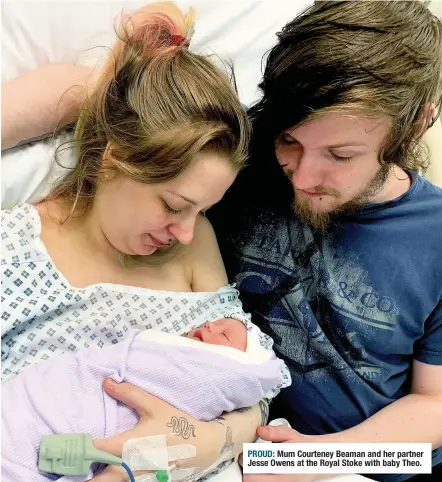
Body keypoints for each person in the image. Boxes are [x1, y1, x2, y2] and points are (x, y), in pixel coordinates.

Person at [3, 1, 442, 482]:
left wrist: (307, 460)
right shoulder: (230, 163)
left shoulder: (433, 238)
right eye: (290, 140)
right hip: (242, 438)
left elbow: (434, 410)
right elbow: (146, 119)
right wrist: (124, 73)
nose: (304, 176)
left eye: (340, 155)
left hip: (370, 461)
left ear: (416, 123)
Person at [0, 2, 271, 481]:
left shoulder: (193, 245)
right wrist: (110, 79)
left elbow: (249, 386)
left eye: (201, 210)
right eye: (173, 205)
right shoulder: (17, 252)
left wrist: (203, 445)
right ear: (115, 158)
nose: (185, 231)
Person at [2, 317, 290, 482]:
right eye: (173, 206)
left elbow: (254, 398)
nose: (209, 327)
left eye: (223, 333)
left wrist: (207, 440)